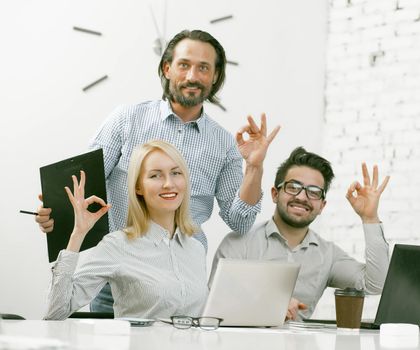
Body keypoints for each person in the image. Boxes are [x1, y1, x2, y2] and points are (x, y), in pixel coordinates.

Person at [36, 29, 280, 312]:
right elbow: (83, 185)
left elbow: (240, 221)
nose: (192, 76)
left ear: (215, 76)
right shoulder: (128, 119)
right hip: (116, 272)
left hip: (182, 277)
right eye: (184, 65)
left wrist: (254, 166)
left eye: (203, 68)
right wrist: (56, 215)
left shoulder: (223, 143)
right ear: (167, 68)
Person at [210, 147, 390, 321]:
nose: (302, 197)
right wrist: (267, 303)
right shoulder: (239, 243)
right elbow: (213, 305)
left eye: (313, 192)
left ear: (322, 206)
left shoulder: (328, 255)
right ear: (274, 194)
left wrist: (370, 218)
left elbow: (376, 284)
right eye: (293, 187)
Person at [44, 140, 208, 320]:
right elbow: (55, 314)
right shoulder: (118, 245)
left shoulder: (196, 249)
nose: (169, 183)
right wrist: (78, 234)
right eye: (155, 176)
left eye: (176, 173)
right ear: (138, 187)